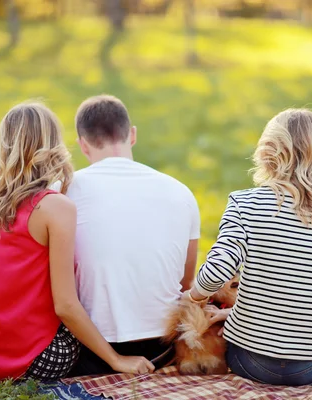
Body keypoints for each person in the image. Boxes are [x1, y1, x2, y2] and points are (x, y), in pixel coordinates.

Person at [0, 102, 155, 382]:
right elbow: (65, 305)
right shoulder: (55, 207)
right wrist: (116, 359)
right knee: (88, 309)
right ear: (53, 146)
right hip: (23, 360)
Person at [186, 109, 312, 386]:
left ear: (269, 151)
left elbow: (217, 272)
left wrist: (193, 298)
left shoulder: (244, 204)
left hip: (250, 361)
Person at [65, 95, 200, 376]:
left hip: (90, 350)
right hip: (163, 348)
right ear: (133, 135)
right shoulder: (180, 192)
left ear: (82, 144)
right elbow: (186, 283)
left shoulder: (63, 192)